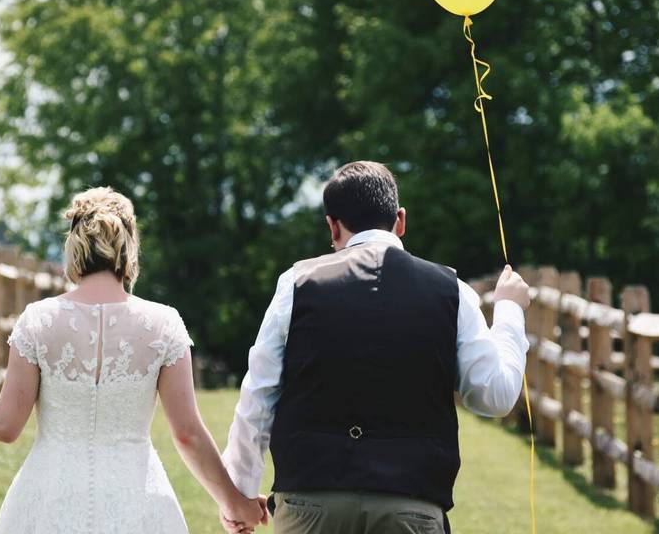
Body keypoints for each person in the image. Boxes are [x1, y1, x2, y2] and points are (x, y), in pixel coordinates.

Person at [0, 187, 267, 533]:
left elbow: (5, 425)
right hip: (137, 501)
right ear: (128, 247)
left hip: (49, 497)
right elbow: (187, 434)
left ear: (73, 247)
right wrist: (235, 503)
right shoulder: (163, 323)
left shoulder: (39, 320)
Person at [220, 161, 530, 534]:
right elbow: (494, 396)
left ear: (333, 226)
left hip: (310, 500)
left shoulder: (297, 283)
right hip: (411, 501)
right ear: (400, 220)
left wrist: (239, 492)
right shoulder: (453, 290)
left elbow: (260, 391)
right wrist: (509, 310)